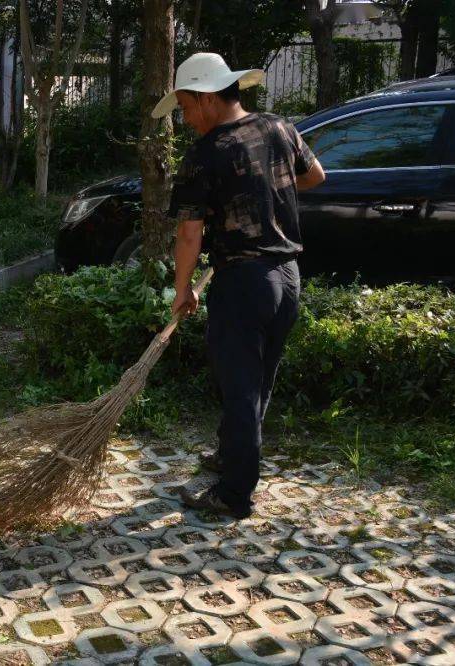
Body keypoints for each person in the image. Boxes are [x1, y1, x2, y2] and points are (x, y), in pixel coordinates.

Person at [152, 53, 326, 519]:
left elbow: (189, 233)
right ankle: (234, 455)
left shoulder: (206, 154)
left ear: (208, 99)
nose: (186, 118)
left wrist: (182, 288)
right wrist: (268, 194)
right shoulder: (278, 127)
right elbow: (314, 176)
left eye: (186, 106)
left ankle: (233, 494)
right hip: (288, 278)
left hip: (245, 283)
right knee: (256, 381)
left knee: (240, 387)